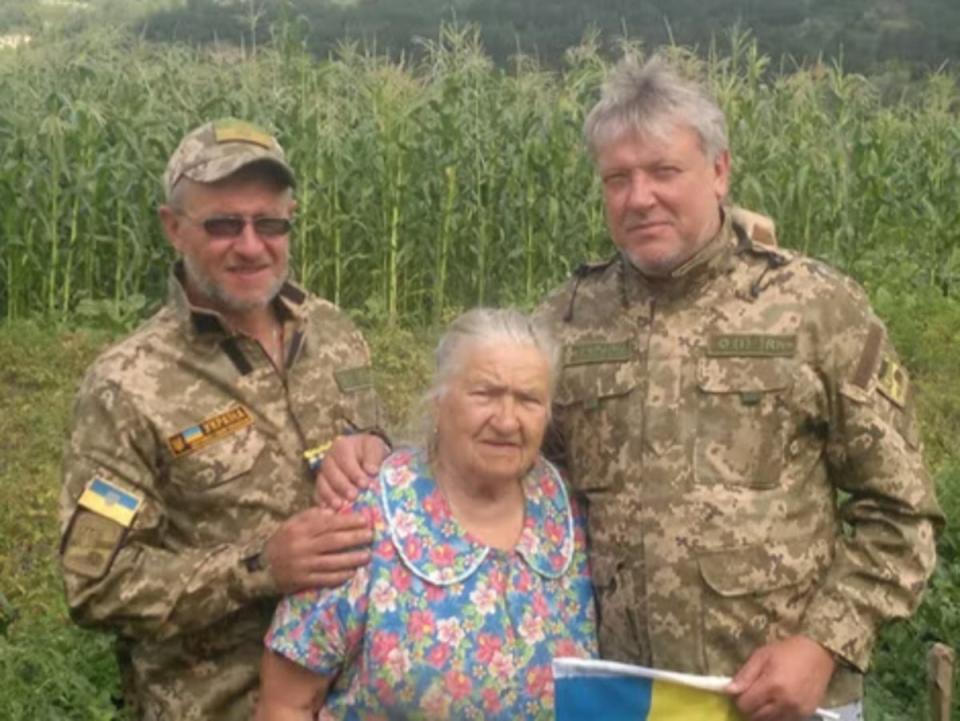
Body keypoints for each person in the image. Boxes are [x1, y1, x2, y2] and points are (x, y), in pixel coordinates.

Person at [316, 57, 943, 721]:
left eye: (664, 171)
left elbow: (903, 511)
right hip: (616, 698)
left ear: (720, 170)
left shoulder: (816, 309)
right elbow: (484, 465)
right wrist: (370, 454)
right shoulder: (567, 320)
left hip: (778, 700)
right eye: (618, 178)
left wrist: (823, 643)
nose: (639, 196)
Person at [58, 118, 382, 721]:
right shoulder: (125, 385)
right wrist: (258, 567)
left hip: (356, 694)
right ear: (173, 228)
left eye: (270, 223)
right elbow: (95, 585)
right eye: (224, 224)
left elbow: (377, 469)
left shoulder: (335, 333)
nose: (251, 245)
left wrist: (378, 452)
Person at [257, 308, 597, 720]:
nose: (507, 421)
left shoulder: (565, 512)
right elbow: (287, 703)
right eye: (485, 394)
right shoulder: (369, 514)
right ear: (439, 400)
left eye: (528, 400)